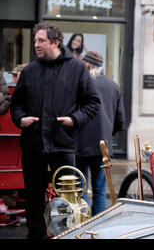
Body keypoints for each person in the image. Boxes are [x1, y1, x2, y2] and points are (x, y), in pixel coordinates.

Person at [10, 23, 100, 239]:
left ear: (55, 42)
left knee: (68, 197)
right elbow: (16, 104)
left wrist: (74, 119)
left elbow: (93, 102)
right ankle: (36, 235)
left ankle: (66, 234)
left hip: (63, 143)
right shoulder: (29, 70)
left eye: (41, 40)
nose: (36, 45)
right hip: (33, 144)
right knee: (33, 196)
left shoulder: (77, 68)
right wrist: (21, 119)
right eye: (35, 40)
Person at [76, 51, 126, 216]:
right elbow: (120, 121)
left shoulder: (79, 84)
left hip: (80, 144)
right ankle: (97, 228)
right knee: (99, 190)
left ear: (88, 65)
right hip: (103, 147)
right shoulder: (113, 86)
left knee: (81, 189)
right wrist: (107, 134)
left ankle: (82, 227)